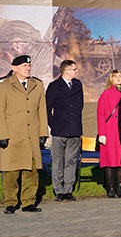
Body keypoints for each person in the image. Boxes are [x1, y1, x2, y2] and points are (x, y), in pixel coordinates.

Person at [0, 55, 49, 213]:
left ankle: (28, 202)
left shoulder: (37, 84)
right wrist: (2, 135)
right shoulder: (5, 86)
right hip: (12, 136)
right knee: (10, 172)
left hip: (31, 135)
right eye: (23, 66)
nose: (27, 68)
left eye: (29, 65)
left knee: (31, 170)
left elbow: (42, 110)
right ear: (14, 68)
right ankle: (10, 202)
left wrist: (43, 132)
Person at [45, 60, 84, 202]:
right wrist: (54, 125)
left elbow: (80, 106)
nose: (76, 71)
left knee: (71, 161)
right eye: (74, 69)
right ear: (66, 71)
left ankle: (68, 190)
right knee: (57, 161)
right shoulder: (54, 86)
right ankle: (58, 191)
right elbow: (47, 109)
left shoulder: (78, 85)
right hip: (59, 130)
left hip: (74, 129)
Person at [97, 70, 121, 198]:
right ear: (111, 79)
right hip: (110, 131)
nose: (118, 79)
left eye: (120, 76)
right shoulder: (105, 94)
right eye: (115, 77)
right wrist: (102, 133)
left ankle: (120, 187)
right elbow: (101, 116)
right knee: (110, 160)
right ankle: (110, 188)